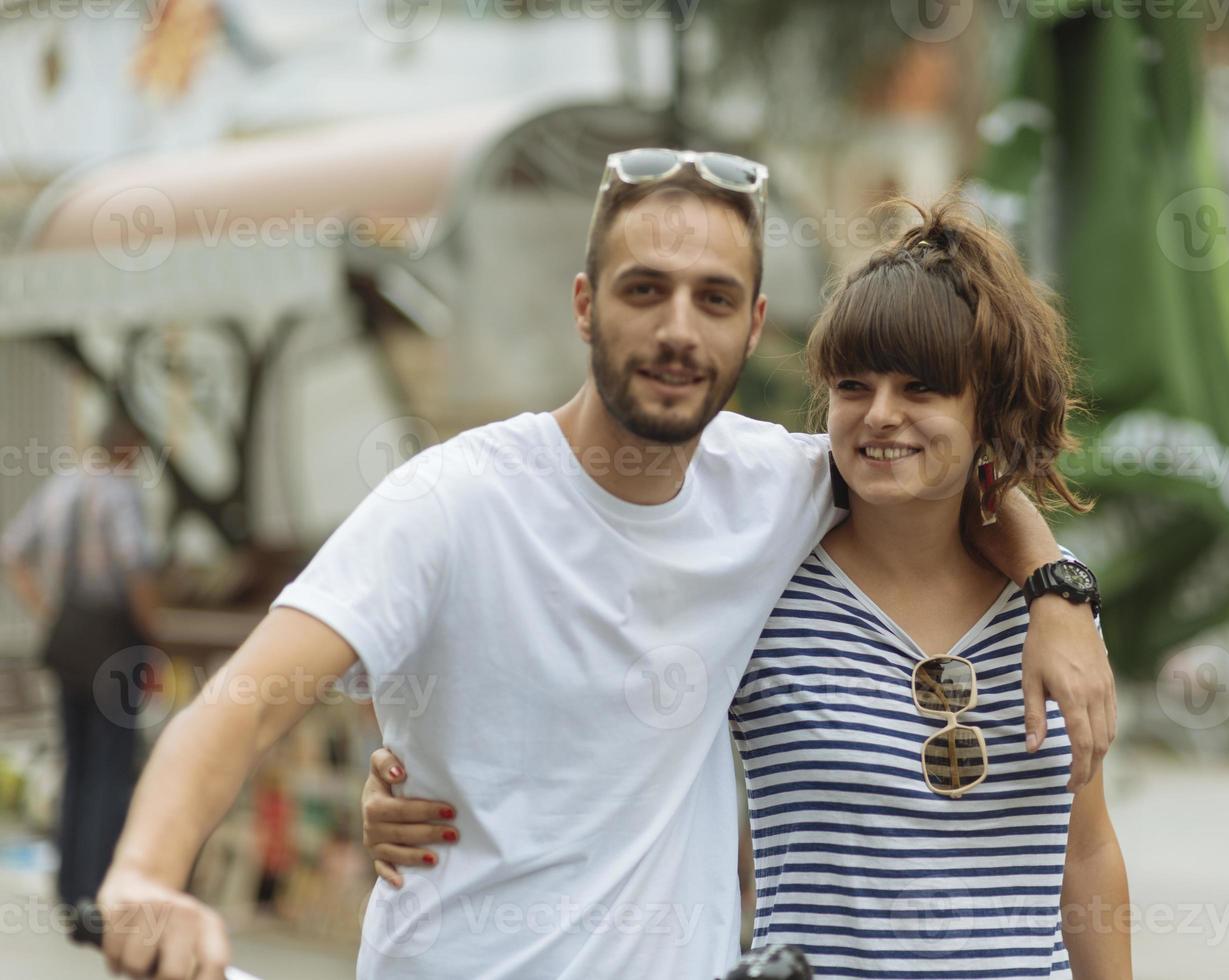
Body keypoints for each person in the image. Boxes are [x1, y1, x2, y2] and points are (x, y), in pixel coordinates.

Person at [93, 150, 1114, 979]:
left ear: (751, 325)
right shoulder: (448, 501)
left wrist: (1055, 586)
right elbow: (243, 702)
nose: (678, 328)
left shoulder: (775, 485)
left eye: (713, 298)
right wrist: (144, 874)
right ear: (584, 304)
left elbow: (943, 471)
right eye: (644, 290)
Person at [362, 200, 1131, 977]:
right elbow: (590, 719)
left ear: (986, 408)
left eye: (921, 389)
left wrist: (1055, 590)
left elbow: (1087, 853)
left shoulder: (1051, 610)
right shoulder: (766, 581)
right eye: (854, 385)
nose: (880, 416)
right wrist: (428, 774)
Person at [1, 413, 162, 914]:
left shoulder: (62, 486)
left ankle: (69, 884)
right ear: (128, 448)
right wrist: (157, 635)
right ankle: (99, 885)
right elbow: (136, 569)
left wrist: (49, 611)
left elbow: (12, 553)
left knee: (76, 762)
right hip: (112, 640)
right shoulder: (119, 493)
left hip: (68, 638)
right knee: (109, 766)